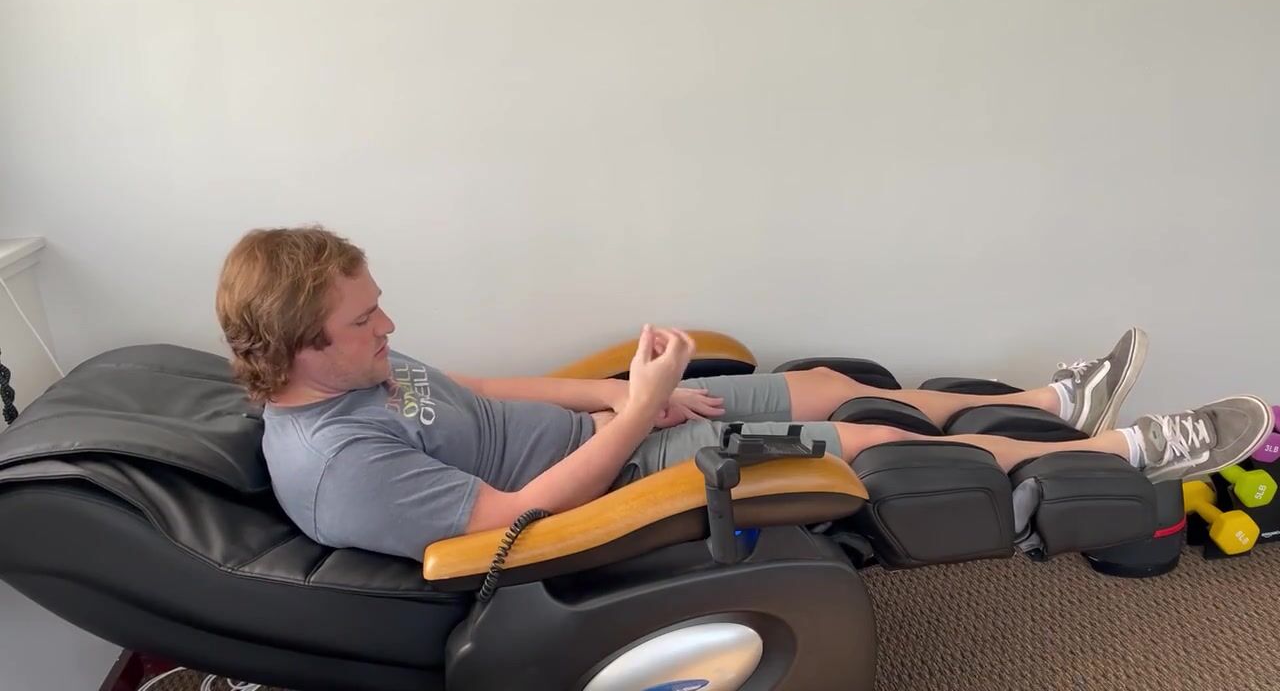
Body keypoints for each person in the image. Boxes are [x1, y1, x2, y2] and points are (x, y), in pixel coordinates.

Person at [215, 226, 1274, 561]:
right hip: (625, 493)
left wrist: (623, 393)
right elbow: (517, 522)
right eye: (365, 321)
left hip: (620, 432)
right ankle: (1130, 452)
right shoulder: (339, 468)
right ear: (304, 346)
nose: (390, 328)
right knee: (863, 443)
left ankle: (1053, 401)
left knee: (824, 384)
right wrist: (638, 415)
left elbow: (483, 388)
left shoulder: (357, 368)